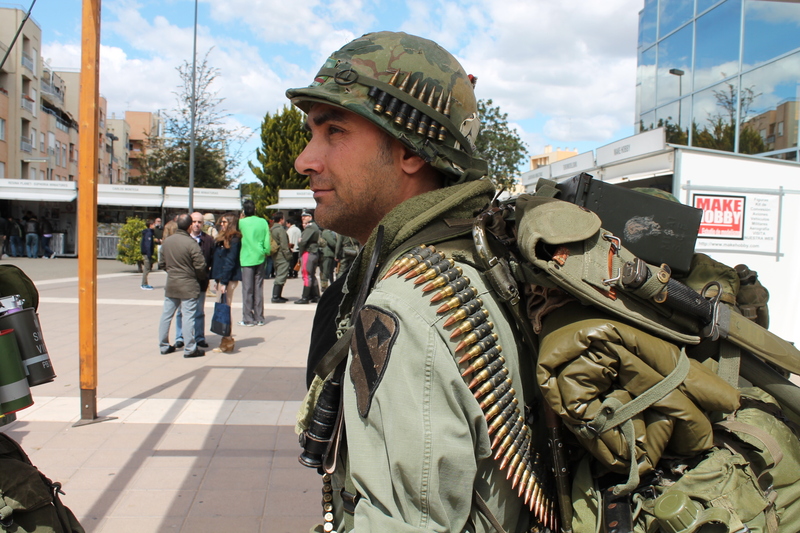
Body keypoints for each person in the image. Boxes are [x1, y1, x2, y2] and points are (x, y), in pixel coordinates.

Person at [289, 32, 530, 531]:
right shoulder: (473, 256)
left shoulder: (410, 305)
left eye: (334, 131)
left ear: (411, 153)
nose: (306, 160)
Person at [157, 214, 206, 358]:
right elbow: (200, 265)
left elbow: (161, 263)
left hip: (172, 283)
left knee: (166, 315)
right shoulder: (191, 243)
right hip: (188, 284)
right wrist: (198, 277)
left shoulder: (167, 242)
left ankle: (164, 345)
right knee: (188, 316)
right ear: (190, 226)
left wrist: (172, 272)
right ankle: (190, 348)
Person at [175, 212, 215, 349]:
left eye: (199, 222)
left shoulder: (208, 240)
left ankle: (199, 337)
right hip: (184, 282)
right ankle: (180, 337)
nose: (197, 224)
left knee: (199, 311)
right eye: (194, 222)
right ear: (189, 224)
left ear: (203, 224)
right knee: (181, 311)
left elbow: (212, 260)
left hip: (201, 282)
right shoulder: (182, 240)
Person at [210, 213, 242, 352]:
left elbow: (230, 261)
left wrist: (223, 281)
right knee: (222, 306)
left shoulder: (234, 239)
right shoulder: (222, 237)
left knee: (224, 308)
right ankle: (226, 339)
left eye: (224, 222)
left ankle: (227, 340)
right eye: (220, 222)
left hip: (228, 279)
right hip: (221, 277)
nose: (221, 224)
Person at [238, 199, 271, 326]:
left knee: (247, 289)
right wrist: (265, 251)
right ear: (255, 209)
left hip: (246, 257)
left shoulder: (241, 223)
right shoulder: (262, 222)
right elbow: (267, 240)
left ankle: (248, 317)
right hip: (260, 256)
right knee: (258, 287)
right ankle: (259, 317)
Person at [293, 211, 320, 305]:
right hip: (313, 253)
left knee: (306, 275)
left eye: (305, 216)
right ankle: (315, 296)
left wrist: (300, 242)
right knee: (311, 275)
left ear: (310, 217)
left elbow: (302, 241)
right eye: (302, 216)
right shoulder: (314, 226)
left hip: (308, 252)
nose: (303, 217)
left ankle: (305, 297)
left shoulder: (310, 227)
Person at [270, 212, 292, 303]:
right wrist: (288, 256)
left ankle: (278, 295)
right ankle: (275, 296)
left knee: (279, 273)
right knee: (281, 275)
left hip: (275, 254)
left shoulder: (271, 229)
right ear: (281, 219)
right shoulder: (280, 230)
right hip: (281, 255)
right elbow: (284, 245)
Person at [319, 226, 337, 291]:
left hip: (327, 254)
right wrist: (338, 247)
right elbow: (332, 243)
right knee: (325, 271)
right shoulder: (326, 232)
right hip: (327, 254)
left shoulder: (327, 232)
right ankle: (324, 286)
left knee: (328, 271)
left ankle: (326, 285)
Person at [140, 219, 156, 290]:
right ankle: (144, 284)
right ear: (151, 225)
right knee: (146, 269)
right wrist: (149, 254)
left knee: (147, 268)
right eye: (154, 224)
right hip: (146, 253)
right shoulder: (148, 233)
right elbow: (148, 244)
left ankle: (145, 283)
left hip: (147, 253)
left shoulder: (150, 233)